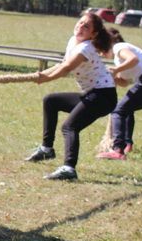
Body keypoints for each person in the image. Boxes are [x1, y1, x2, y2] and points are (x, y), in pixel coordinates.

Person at [26, 12, 117, 180]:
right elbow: (62, 64)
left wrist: (45, 79)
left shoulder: (86, 48)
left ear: (93, 34)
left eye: (86, 26)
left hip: (103, 97)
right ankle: (47, 149)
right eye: (80, 23)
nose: (80, 27)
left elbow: (67, 67)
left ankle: (69, 168)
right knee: (51, 101)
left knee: (70, 127)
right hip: (92, 94)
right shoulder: (73, 41)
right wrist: (42, 74)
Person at [96, 28, 142, 160]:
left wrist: (116, 69)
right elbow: (124, 82)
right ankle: (127, 144)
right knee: (127, 108)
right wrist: (113, 76)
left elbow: (133, 59)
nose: (100, 53)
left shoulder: (119, 47)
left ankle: (117, 150)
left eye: (101, 49)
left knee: (118, 111)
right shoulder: (119, 59)